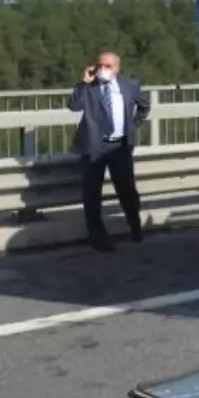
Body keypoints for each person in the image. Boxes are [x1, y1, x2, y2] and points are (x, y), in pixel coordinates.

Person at [68, 51, 151, 251]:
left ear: (117, 67)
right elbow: (74, 105)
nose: (103, 69)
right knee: (92, 195)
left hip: (119, 146)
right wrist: (84, 83)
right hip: (93, 147)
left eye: (108, 66)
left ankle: (135, 227)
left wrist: (133, 124)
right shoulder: (89, 87)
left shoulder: (130, 86)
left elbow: (144, 105)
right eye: (100, 65)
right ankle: (98, 239)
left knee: (127, 191)